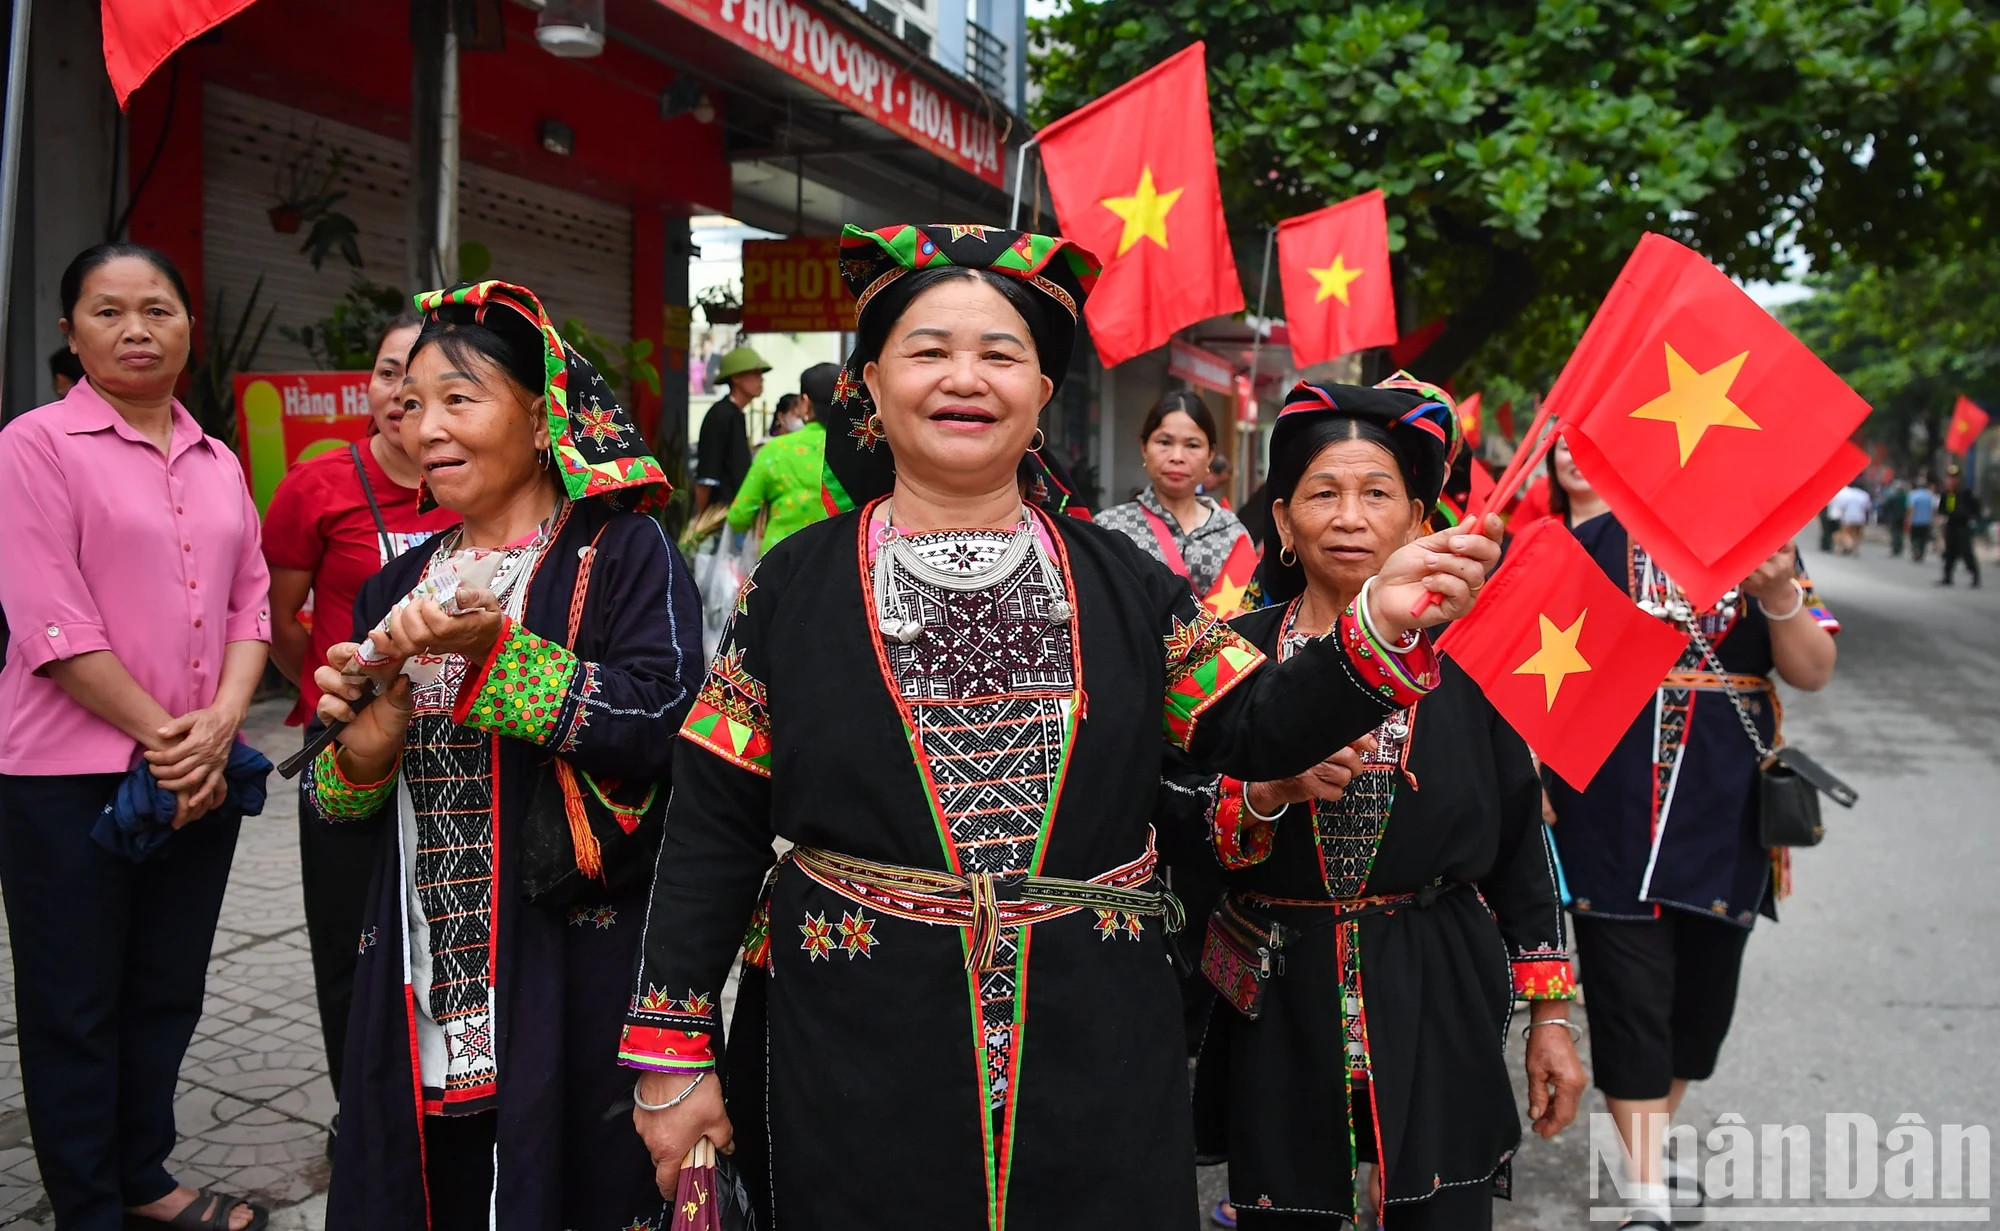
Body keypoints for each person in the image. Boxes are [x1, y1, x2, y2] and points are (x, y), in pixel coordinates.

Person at [619, 222, 1502, 1231]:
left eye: (1000, 355)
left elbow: (1255, 726)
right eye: (928, 350)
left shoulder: (1122, 582)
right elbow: (714, 821)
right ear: (869, 383)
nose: (965, 377)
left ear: (1041, 392)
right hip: (850, 1039)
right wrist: (672, 1052)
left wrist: (1376, 626)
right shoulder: (794, 584)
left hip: (1094, 1042)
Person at [303, 280, 704, 1230]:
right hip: (425, 960)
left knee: (571, 1179)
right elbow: (337, 801)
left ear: (537, 416)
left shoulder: (621, 552)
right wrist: (363, 752)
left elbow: (668, 720)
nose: (426, 426)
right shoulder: (395, 586)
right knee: (435, 1180)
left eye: (459, 398)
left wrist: (501, 657)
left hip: (572, 962)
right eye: (410, 404)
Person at [1170, 380, 1585, 1231]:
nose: (1350, 517)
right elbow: (1168, 810)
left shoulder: (1472, 662)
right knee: (1290, 1211)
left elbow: (1519, 845)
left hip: (1436, 979)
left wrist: (1551, 1017)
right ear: (1284, 523)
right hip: (1276, 992)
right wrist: (1264, 792)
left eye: (1377, 493)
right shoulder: (1227, 660)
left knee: (1438, 1208)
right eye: (1323, 493)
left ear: (1418, 520)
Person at [0, 243, 273, 1231]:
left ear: (189, 326)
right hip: (67, 778)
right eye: (107, 311)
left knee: (166, 986)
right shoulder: (34, 445)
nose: (135, 330)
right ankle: (87, 1207)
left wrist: (222, 724)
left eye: (157, 309)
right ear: (70, 333)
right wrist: (177, 741)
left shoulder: (218, 459)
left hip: (198, 769)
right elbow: (52, 623)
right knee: (74, 1002)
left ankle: (142, 1174)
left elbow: (251, 606)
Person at [1540, 437, 1837, 1229]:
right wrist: (1533, 772)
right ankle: (1644, 1190)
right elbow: (1527, 671)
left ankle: (1647, 1143)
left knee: (1701, 1005)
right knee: (1627, 993)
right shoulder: (1589, 546)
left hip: (1725, 803)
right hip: (1609, 799)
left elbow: (1812, 670)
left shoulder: (1769, 548)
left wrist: (1780, 595)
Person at [260, 312, 458, 1112]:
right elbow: (281, 620)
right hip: (351, 747)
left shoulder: (480, 485)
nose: (404, 392)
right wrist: (330, 698)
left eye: (433, 378)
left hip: (457, 743)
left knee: (447, 929)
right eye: (388, 372)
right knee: (349, 935)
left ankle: (449, 1102)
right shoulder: (316, 485)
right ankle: (361, 1113)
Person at [1097, 391, 1257, 615]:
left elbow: (1251, 616)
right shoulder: (1109, 528)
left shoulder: (1233, 533)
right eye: (1164, 442)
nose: (1177, 456)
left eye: (1192, 445)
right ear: (1144, 447)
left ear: (1211, 454)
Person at [726, 362, 837, 551]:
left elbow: (739, 516)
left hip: (781, 558)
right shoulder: (861, 450)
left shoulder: (775, 450)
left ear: (806, 402)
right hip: (841, 558)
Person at [693, 343, 770, 514]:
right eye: (755, 373)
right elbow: (707, 476)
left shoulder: (736, 414)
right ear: (736, 377)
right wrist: (701, 519)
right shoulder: (720, 415)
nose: (761, 379)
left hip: (738, 512)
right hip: (721, 514)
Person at [1937, 467, 1983, 587]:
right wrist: (1942, 517)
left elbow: (1975, 507)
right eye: (1949, 478)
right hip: (1951, 525)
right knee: (1949, 552)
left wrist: (1974, 519)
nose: (1951, 480)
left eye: (1954, 478)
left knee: (1966, 551)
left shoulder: (1965, 492)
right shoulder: (1947, 493)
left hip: (1963, 525)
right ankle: (1947, 577)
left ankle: (1975, 576)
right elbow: (1943, 509)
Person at [1831, 480, 1870, 555]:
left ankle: (1849, 546)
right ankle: (1856, 548)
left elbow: (1842, 505)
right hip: (1860, 517)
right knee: (1857, 534)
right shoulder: (1865, 495)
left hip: (1848, 516)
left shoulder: (1849, 494)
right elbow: (1867, 507)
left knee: (1846, 533)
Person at [1907, 475, 1937, 564]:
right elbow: (1933, 509)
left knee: (1914, 537)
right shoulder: (1930, 495)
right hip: (1926, 521)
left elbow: (1911, 508)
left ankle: (1915, 549)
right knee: (1923, 539)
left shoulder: (1913, 495)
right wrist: (1932, 519)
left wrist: (1909, 518)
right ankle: (1921, 553)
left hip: (1915, 521)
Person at [1879, 480, 1908, 557]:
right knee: (1900, 533)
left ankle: (1895, 548)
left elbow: (1886, 506)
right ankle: (1899, 548)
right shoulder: (1906, 497)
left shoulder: (1893, 497)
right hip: (1903, 517)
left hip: (1894, 517)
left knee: (1894, 533)